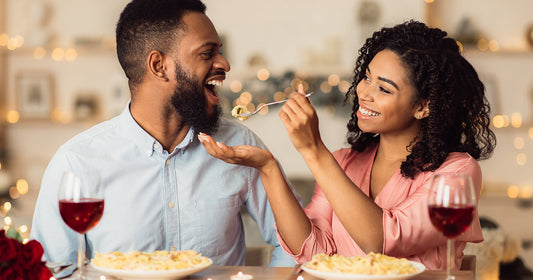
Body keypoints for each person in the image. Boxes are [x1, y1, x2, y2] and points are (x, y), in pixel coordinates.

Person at [198, 20, 496, 270]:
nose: (364, 93)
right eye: (366, 78)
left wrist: (313, 151)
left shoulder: (457, 172)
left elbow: (386, 240)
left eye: (384, 88)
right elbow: (313, 253)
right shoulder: (345, 162)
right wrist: (269, 168)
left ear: (423, 106)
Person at [30, 0, 298, 269]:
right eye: (207, 53)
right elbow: (55, 271)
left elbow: (299, 249)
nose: (225, 64)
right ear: (159, 66)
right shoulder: (77, 161)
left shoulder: (240, 144)